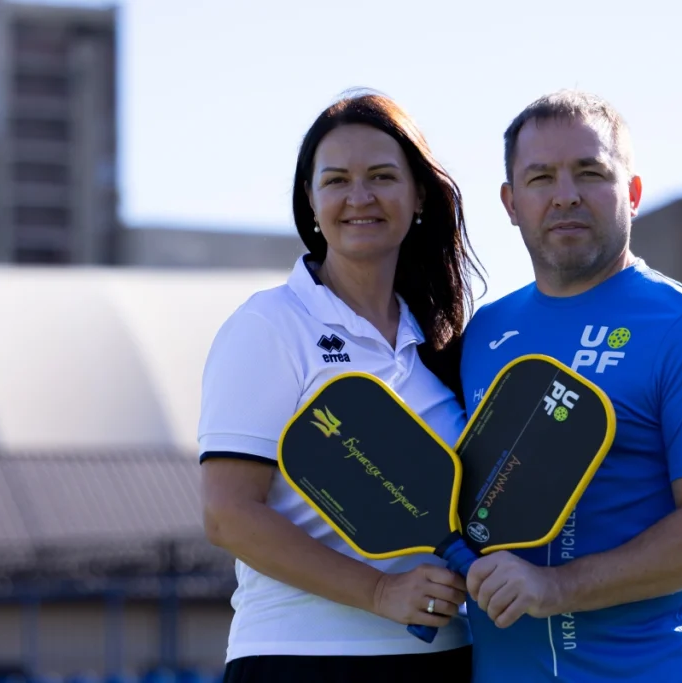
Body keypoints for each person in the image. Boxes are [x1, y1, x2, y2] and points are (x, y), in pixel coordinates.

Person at [458, 90, 682, 681]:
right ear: (511, 202)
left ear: (633, 193)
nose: (565, 194)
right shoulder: (483, 333)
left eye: (590, 172)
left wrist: (555, 587)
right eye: (540, 177)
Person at [198, 90, 484, 683]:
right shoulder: (269, 325)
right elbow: (228, 514)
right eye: (336, 181)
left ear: (420, 195)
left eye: (382, 176)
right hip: (301, 660)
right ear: (311, 200)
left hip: (447, 656)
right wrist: (380, 592)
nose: (360, 197)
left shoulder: (446, 343)